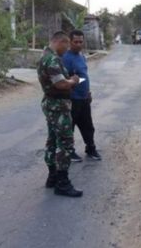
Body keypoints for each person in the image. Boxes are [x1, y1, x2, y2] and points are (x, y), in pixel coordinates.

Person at [37, 31, 83, 197]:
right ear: (60, 42)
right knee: (65, 143)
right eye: (66, 45)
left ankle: (52, 177)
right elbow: (61, 84)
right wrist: (73, 81)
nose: (67, 49)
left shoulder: (44, 56)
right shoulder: (53, 59)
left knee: (52, 139)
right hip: (58, 106)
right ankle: (62, 183)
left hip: (51, 103)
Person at [62, 30, 102, 162]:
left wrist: (88, 92)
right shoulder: (65, 58)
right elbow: (64, 79)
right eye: (76, 42)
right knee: (70, 127)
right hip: (72, 99)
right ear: (70, 42)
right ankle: (69, 152)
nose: (79, 44)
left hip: (84, 98)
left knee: (88, 126)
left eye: (81, 41)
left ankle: (90, 148)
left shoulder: (81, 56)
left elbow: (83, 76)